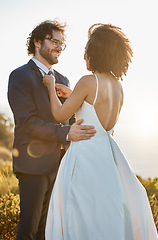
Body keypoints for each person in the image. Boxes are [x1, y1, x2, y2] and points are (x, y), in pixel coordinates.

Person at [43, 23, 158, 240]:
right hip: (108, 158)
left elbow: (59, 115)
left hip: (84, 158)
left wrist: (51, 85)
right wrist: (74, 95)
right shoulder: (118, 87)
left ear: (96, 54)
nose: (84, 57)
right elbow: (101, 117)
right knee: (104, 216)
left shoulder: (88, 82)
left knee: (79, 216)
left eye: (86, 52)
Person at [7, 20, 96, 240]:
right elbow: (27, 122)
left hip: (60, 167)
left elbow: (74, 117)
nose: (59, 47)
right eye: (54, 41)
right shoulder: (19, 76)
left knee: (48, 231)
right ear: (37, 41)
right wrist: (65, 133)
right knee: (28, 230)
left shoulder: (64, 80)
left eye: (62, 44)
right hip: (33, 165)